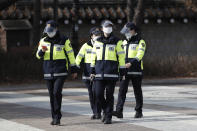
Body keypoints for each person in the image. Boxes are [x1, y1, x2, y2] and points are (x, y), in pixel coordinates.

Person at [36, 20, 78, 125]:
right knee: (51, 95)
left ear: (56, 29)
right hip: (48, 72)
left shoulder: (64, 40)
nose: (49, 32)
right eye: (48, 30)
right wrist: (42, 51)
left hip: (61, 72)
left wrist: (73, 69)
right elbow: (37, 55)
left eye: (51, 30)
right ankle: (54, 117)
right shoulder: (43, 41)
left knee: (56, 93)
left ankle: (57, 117)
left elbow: (70, 55)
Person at [90, 20, 126, 124]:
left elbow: (121, 57)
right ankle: (107, 111)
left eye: (110, 26)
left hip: (112, 73)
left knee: (110, 95)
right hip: (99, 73)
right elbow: (93, 56)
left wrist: (122, 72)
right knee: (98, 94)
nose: (108, 28)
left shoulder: (117, 41)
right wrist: (92, 70)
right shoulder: (98, 41)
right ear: (102, 28)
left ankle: (108, 116)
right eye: (106, 26)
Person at [113, 22, 146, 119]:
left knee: (137, 91)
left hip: (136, 70)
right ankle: (119, 111)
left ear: (133, 31)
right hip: (125, 71)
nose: (126, 33)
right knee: (122, 91)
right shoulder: (123, 42)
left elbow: (140, 55)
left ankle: (138, 111)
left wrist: (130, 63)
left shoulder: (141, 41)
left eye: (128, 31)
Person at [76, 27, 102, 119]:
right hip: (87, 73)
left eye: (99, 34)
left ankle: (98, 111)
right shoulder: (85, 46)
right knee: (91, 93)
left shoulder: (102, 44)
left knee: (97, 93)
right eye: (95, 35)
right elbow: (79, 57)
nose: (97, 36)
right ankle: (95, 112)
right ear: (91, 36)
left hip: (98, 72)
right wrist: (76, 67)